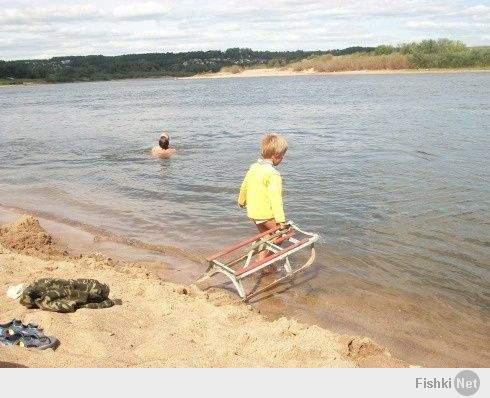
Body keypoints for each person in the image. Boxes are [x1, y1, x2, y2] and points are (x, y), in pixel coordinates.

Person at [238, 132, 288, 261]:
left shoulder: (254, 168)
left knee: (265, 236)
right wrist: (281, 221)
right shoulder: (273, 174)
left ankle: (263, 263)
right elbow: (276, 199)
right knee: (283, 234)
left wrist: (241, 200)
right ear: (276, 155)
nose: (282, 159)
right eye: (282, 156)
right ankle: (265, 261)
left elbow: (245, 185)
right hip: (265, 214)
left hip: (253, 212)